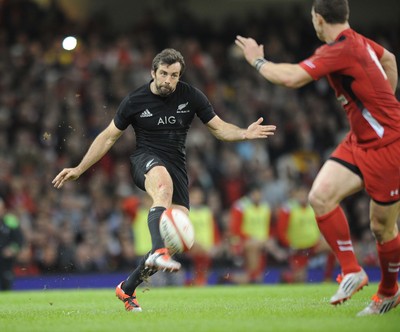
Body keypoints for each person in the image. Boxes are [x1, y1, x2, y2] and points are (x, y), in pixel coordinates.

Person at [52, 48, 277, 312]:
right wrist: (79, 168)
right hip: (145, 160)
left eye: (174, 75)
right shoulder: (135, 100)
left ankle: (127, 288)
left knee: (180, 240)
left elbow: (219, 128)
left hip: (176, 168)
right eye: (164, 74)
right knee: (163, 187)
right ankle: (159, 252)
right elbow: (108, 137)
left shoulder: (191, 95)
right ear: (153, 72)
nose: (169, 80)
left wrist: (244, 134)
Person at [235, 0, 400, 316]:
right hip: (360, 140)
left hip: (388, 145)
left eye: (313, 20)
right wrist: (381, 102)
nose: (313, 25)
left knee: (382, 228)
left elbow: (292, 78)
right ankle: (351, 270)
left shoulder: (339, 50)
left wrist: (257, 60)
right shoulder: (359, 42)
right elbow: (389, 60)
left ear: (320, 20)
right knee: (320, 197)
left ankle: (390, 292)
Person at [228, 183, 287, 284]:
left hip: (262, 243)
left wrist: (269, 238)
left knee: (255, 276)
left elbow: (269, 227)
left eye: (259, 193)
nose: (258, 196)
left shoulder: (265, 207)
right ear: (250, 194)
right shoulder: (240, 206)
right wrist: (255, 239)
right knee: (254, 246)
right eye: (255, 194)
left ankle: (229, 278)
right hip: (243, 242)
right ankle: (276, 252)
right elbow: (235, 230)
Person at [276, 184, 336, 283]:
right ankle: (285, 278)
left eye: (304, 194)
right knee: (299, 280)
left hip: (313, 245)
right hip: (298, 249)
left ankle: (327, 278)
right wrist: (290, 245)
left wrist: (321, 236)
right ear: (294, 195)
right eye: (300, 194)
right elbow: (281, 231)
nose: (302, 197)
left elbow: (321, 225)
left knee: (332, 247)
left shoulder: (313, 207)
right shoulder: (287, 209)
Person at [0, 197, 24, 291]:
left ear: (3, 210)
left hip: (6, 260)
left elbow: (20, 239)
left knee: (6, 282)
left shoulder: (10, 221)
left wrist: (12, 249)